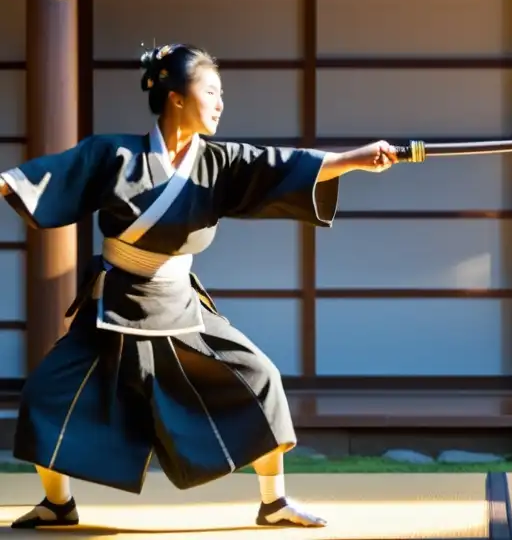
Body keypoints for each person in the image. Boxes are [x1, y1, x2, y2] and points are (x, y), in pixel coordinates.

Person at [6, 43, 399, 530]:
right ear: (175, 96)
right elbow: (44, 177)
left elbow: (279, 165)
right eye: (210, 91)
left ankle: (274, 502)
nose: (219, 104)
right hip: (117, 303)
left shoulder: (220, 162)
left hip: (179, 304)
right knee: (47, 392)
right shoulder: (113, 154)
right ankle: (57, 504)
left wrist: (355, 159)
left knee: (260, 378)